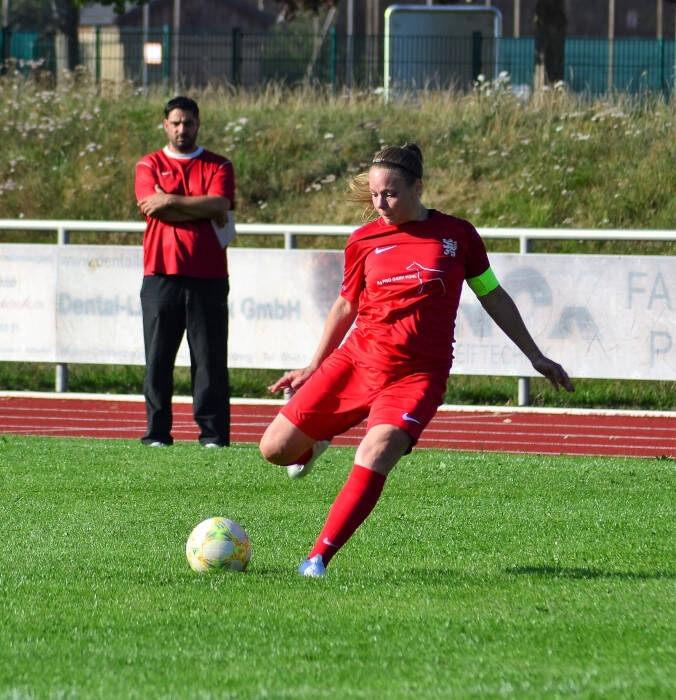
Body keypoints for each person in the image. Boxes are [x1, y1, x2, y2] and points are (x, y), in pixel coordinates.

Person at [259, 142, 574, 577]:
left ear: (418, 187)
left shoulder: (458, 236)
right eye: (373, 195)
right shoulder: (363, 240)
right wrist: (314, 364)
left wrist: (535, 355)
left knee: (378, 450)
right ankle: (317, 441)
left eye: (389, 193)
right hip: (356, 360)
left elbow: (493, 296)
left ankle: (317, 559)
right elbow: (346, 305)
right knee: (274, 450)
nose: (380, 204)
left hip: (417, 375)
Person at [135, 96, 235, 448]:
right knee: (158, 359)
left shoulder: (219, 165)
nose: (182, 129)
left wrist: (171, 200)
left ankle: (213, 435)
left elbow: (220, 204)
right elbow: (153, 209)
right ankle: (157, 434)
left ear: (198, 124)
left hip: (208, 276)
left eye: (188, 123)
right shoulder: (149, 164)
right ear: (165, 124)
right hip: (160, 275)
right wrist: (199, 208)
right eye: (175, 123)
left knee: (209, 361)